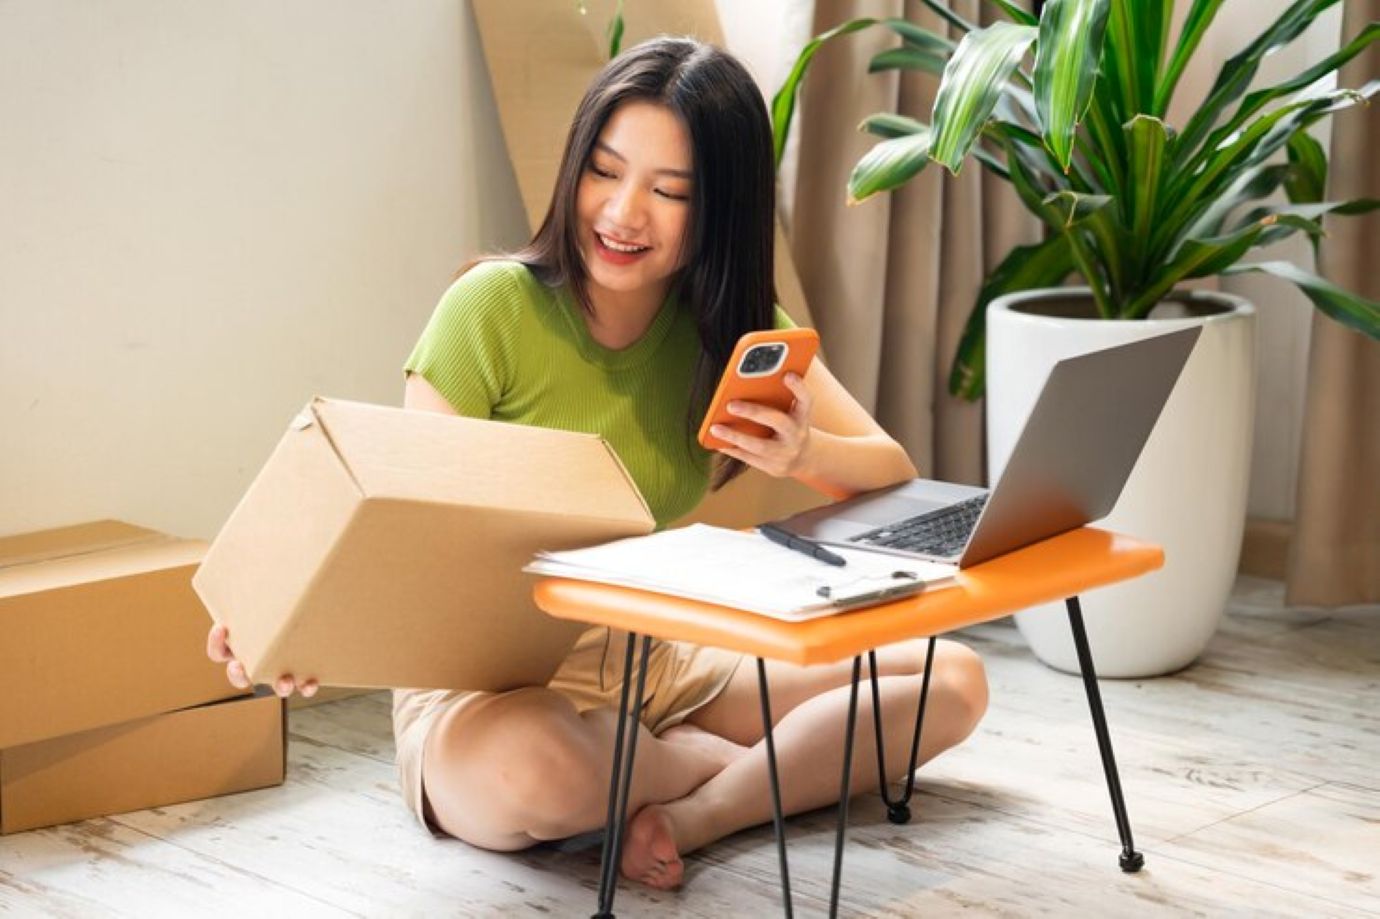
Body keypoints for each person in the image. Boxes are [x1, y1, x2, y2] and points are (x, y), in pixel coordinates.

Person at [207, 36, 988, 891]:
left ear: (718, 210)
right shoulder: (490, 310)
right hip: (487, 687)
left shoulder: (730, 326)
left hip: (659, 657)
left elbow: (892, 472)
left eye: (668, 192)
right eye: (604, 172)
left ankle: (700, 806)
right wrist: (299, 623)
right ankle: (727, 763)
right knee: (539, 771)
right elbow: (401, 531)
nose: (621, 213)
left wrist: (805, 450)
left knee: (952, 680)